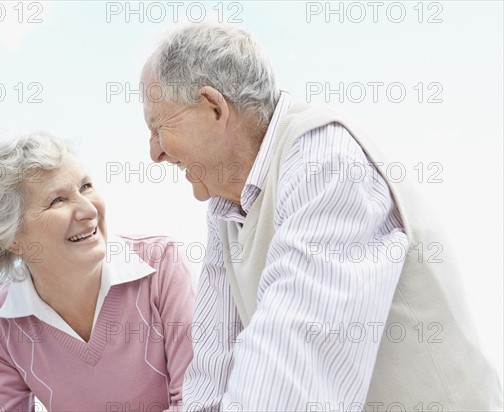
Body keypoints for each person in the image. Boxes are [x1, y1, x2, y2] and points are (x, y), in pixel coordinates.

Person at [140, 23, 503, 411]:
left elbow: (291, 377)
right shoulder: (226, 206)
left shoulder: (324, 161)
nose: (154, 152)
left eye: (158, 126)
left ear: (214, 107)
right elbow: (213, 376)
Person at [0, 133, 195, 412]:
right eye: (57, 200)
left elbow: (200, 401)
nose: (89, 209)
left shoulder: (160, 265)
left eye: (86, 186)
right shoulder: (0, 323)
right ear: (11, 238)